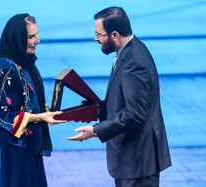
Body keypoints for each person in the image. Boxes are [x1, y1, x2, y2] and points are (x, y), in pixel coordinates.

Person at [67, 7, 171, 187]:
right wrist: (95, 109)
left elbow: (135, 115)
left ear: (114, 35)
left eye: (99, 34)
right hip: (133, 162)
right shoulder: (129, 52)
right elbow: (124, 101)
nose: (96, 38)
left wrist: (96, 130)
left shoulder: (134, 62)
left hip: (138, 164)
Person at [0, 14, 67, 187]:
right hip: (7, 151)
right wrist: (40, 117)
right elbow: (1, 112)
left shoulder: (24, 63)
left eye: (36, 34)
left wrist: (46, 112)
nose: (37, 40)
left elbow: (27, 99)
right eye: (31, 36)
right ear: (17, 39)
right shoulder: (6, 68)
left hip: (23, 146)